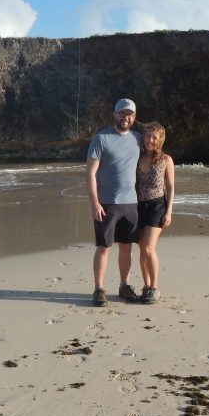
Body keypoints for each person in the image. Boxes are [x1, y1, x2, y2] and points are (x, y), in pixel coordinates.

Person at [86, 99, 143, 307]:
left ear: (134, 117)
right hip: (107, 203)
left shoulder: (138, 139)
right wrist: (95, 203)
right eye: (121, 113)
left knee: (127, 247)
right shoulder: (101, 139)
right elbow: (90, 173)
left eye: (129, 114)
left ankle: (124, 285)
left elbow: (155, 156)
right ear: (114, 114)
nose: (125, 117)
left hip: (131, 204)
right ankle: (99, 289)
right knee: (103, 247)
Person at [136, 121, 175, 305]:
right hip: (137, 206)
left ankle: (154, 287)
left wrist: (169, 212)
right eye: (147, 136)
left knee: (148, 248)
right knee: (142, 251)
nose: (149, 140)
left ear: (160, 140)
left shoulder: (166, 160)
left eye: (154, 137)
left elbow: (170, 187)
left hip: (157, 206)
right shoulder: (136, 157)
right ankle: (146, 286)